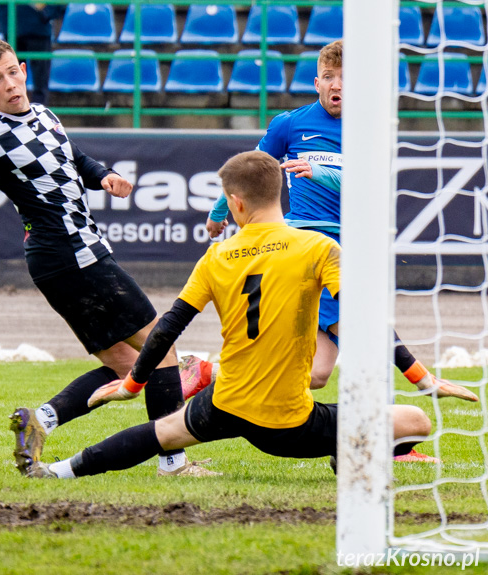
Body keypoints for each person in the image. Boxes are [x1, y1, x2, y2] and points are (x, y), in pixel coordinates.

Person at [0, 40, 212, 478]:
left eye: (12, 73)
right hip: (72, 256)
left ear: (23, 69)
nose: (9, 85)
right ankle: (173, 464)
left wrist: (104, 175)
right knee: (162, 349)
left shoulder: (46, 116)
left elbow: (75, 161)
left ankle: (40, 421)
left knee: (129, 368)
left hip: (66, 260)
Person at [27, 150, 434, 480]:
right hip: (290, 423)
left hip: (225, 405)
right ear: (280, 193)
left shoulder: (216, 255)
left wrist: (132, 385)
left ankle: (56, 472)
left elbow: (168, 327)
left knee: (162, 434)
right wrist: (419, 375)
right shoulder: (318, 247)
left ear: (235, 203)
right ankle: (348, 450)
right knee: (416, 420)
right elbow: (363, 322)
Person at [200, 41, 476, 434]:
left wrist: (321, 171)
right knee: (369, 344)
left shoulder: (371, 130)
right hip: (309, 250)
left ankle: (210, 373)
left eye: (346, 78)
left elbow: (369, 186)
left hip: (354, 248)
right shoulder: (290, 124)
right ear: (317, 82)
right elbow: (249, 171)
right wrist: (218, 212)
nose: (337, 84)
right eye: (329, 76)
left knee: (314, 373)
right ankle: (394, 441)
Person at [0, 3, 63, 106]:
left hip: (37, 29)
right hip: (14, 26)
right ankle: (22, 111)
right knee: (14, 76)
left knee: (37, 79)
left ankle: (35, 112)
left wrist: (46, 11)